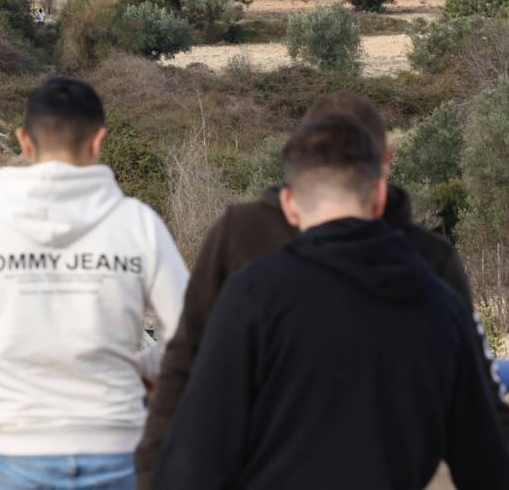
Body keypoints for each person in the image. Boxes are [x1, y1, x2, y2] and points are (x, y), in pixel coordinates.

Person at [135, 92, 509, 486]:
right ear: (380, 179)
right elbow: (480, 434)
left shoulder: (250, 287)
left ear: (291, 197)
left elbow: (196, 416)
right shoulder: (434, 285)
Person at [0, 77, 188, 490]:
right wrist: (139, 369)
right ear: (98, 140)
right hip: (116, 453)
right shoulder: (137, 224)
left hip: (14, 457)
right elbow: (195, 337)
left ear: (25, 140)